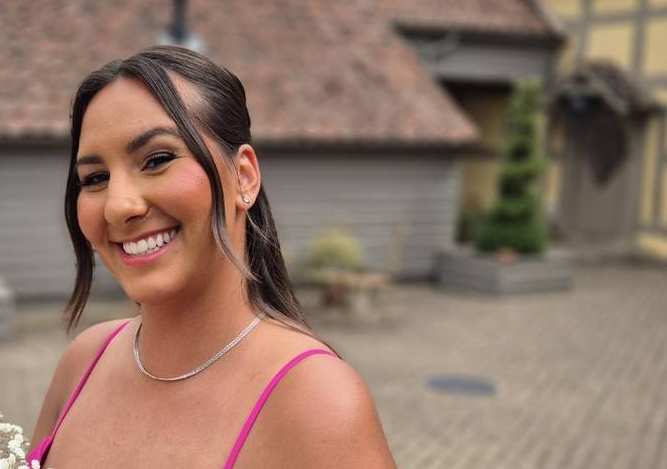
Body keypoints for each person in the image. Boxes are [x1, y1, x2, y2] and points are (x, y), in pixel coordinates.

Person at [27, 46, 396, 468]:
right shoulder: (84, 361)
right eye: (95, 178)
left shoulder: (316, 402)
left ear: (244, 177)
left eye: (158, 159)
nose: (118, 206)